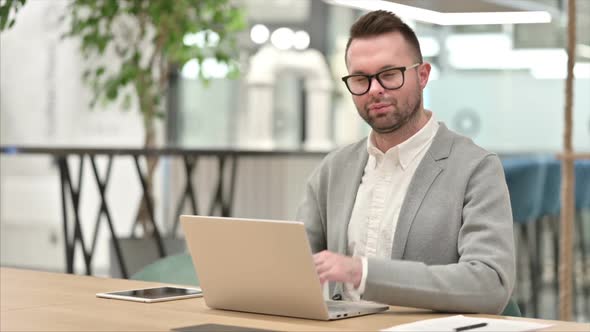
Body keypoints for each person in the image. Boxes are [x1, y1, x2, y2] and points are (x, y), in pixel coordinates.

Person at [296, 10, 515, 314]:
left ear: (422, 75)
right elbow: (293, 262)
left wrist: (362, 273)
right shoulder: (335, 168)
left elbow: (490, 284)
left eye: (388, 74)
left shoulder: (475, 168)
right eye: (361, 78)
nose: (374, 90)